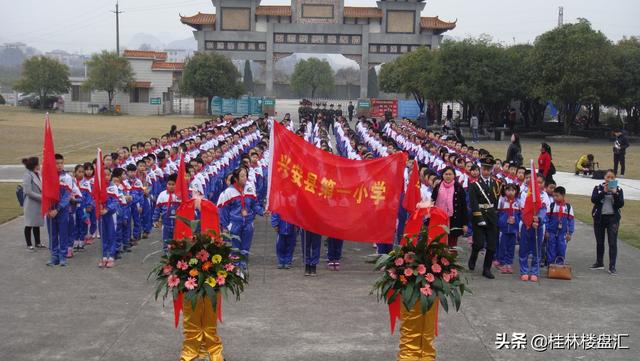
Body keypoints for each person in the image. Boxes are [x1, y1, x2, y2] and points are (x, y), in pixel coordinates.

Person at [217, 166, 267, 270]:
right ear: (236, 179)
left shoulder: (250, 188)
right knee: (235, 248)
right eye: (242, 176)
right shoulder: (228, 192)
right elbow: (223, 210)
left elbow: (255, 204)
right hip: (235, 224)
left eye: (246, 176)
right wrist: (225, 226)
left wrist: (262, 212)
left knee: (245, 247)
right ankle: (235, 268)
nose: (245, 178)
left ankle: (244, 267)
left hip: (248, 223)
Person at [468, 158, 500, 279]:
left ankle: (486, 269)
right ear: (481, 169)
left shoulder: (496, 183)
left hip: (491, 215)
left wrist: (494, 213)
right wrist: (479, 217)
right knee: (479, 243)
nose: (486, 171)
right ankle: (474, 255)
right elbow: (473, 202)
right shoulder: (474, 184)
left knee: (492, 245)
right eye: (484, 169)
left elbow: (496, 200)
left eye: (489, 169)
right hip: (479, 215)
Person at [590, 169, 624, 274]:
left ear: (615, 179)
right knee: (600, 242)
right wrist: (604, 192)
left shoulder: (618, 189)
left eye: (612, 177)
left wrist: (615, 194)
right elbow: (594, 199)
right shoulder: (598, 188)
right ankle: (599, 262)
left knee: (612, 242)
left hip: (613, 219)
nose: (609, 179)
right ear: (604, 177)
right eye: (608, 177)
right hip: (600, 218)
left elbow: (620, 204)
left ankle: (612, 266)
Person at [519, 173, 549, 282]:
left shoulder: (544, 195)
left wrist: (539, 220)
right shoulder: (525, 194)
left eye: (540, 182)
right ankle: (524, 271)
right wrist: (531, 221)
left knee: (537, 248)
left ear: (544, 184)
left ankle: (535, 271)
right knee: (524, 248)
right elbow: (523, 211)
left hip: (539, 226)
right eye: (536, 182)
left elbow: (544, 210)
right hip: (526, 225)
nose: (538, 184)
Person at [46, 154, 73, 266]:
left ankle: (62, 256)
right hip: (50, 211)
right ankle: (54, 256)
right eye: (57, 163)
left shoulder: (67, 177)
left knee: (63, 234)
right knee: (52, 234)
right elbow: (44, 195)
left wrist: (57, 209)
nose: (59, 165)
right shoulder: (47, 177)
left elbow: (67, 196)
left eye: (61, 163)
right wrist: (48, 209)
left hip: (62, 210)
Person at [431, 167, 468, 251]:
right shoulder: (437, 187)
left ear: (454, 176)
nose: (448, 176)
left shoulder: (458, 188)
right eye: (446, 174)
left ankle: (450, 261)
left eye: (450, 174)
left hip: (454, 219)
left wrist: (465, 223)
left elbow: (464, 206)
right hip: (439, 218)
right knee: (438, 241)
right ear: (442, 175)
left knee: (452, 244)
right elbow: (432, 201)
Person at [545, 186, 574, 265]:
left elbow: (571, 221)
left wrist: (570, 233)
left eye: (557, 196)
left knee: (561, 249)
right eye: (554, 196)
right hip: (552, 232)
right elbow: (546, 219)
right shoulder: (551, 206)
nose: (555, 198)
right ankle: (550, 265)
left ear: (563, 195)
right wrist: (546, 231)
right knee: (551, 248)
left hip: (563, 233)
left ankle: (559, 265)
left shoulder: (568, 207)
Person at [496, 183, 521, 274]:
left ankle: (509, 263)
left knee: (511, 247)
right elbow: (498, 214)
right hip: (504, 228)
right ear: (504, 191)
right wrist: (500, 223)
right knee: (502, 246)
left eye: (512, 190)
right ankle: (502, 263)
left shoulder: (518, 202)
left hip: (514, 229)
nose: (510, 192)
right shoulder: (502, 201)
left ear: (516, 191)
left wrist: (518, 225)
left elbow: (520, 215)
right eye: (508, 190)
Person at [153, 174, 181, 253]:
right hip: (166, 223)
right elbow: (157, 209)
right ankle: (167, 258)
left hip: (178, 223)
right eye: (169, 184)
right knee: (166, 241)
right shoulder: (162, 195)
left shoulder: (180, 195)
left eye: (173, 184)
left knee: (178, 242)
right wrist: (155, 220)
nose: (171, 186)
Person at [21, 157, 44, 250]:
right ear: (35, 165)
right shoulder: (28, 175)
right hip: (30, 204)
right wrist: (41, 197)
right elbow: (28, 191)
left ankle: (38, 242)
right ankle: (29, 244)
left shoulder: (37, 173)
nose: (39, 165)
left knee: (36, 223)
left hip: (37, 203)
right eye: (38, 164)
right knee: (29, 224)